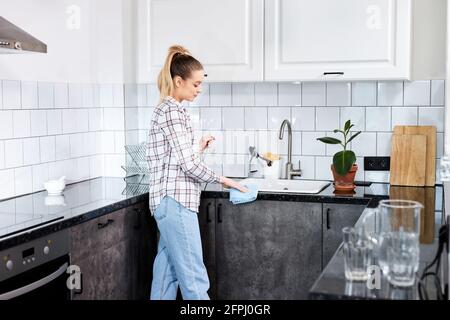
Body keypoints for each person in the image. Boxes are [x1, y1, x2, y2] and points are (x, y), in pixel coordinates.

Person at [147, 45, 248, 300]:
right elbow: (188, 166)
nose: (198, 90)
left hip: (167, 202)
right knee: (194, 279)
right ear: (178, 81)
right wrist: (224, 180)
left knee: (166, 275)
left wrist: (197, 148)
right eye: (195, 84)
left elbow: (177, 160)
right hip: (177, 203)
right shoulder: (172, 111)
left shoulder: (169, 109)